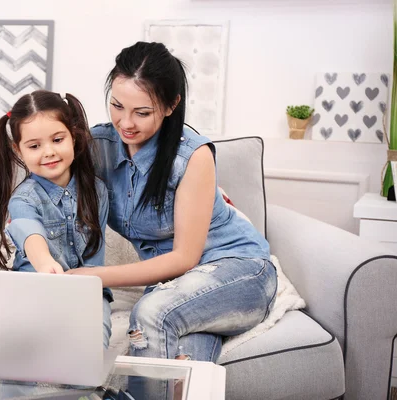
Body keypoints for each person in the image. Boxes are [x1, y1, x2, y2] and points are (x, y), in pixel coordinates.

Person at [66, 42, 278, 398]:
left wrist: (94, 276)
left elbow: (184, 258)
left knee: (153, 313)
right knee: (185, 366)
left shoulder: (192, 155)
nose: (126, 122)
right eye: (117, 105)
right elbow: (52, 186)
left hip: (240, 270)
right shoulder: (99, 145)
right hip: (178, 289)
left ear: (171, 105)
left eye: (142, 112)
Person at [0, 90, 112, 348]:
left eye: (57, 139)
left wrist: (80, 290)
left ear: (73, 136)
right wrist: (45, 263)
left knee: (92, 344)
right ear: (18, 150)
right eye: (34, 146)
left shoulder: (97, 191)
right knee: (25, 346)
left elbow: (94, 262)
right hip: (34, 290)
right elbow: (29, 232)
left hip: (85, 291)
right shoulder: (23, 199)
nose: (48, 152)